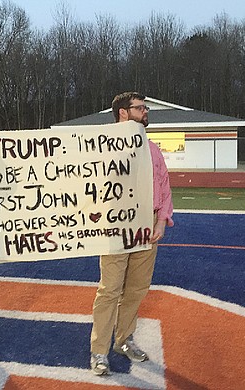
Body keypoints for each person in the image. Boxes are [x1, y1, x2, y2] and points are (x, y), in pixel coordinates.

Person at [90, 92, 174, 376]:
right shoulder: (100, 148)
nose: (145, 112)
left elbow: (163, 186)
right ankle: (99, 350)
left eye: (145, 107)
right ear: (123, 113)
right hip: (115, 223)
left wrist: (162, 220)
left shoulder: (152, 150)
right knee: (110, 289)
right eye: (140, 108)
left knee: (138, 287)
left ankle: (123, 340)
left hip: (147, 223)